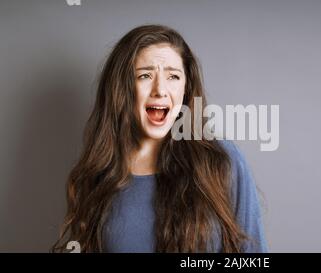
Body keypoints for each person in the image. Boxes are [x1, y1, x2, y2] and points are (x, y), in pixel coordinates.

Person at [52, 25, 268, 253]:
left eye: (173, 76)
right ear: (122, 89)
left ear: (186, 88)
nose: (160, 90)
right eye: (145, 75)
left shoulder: (221, 161)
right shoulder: (100, 176)